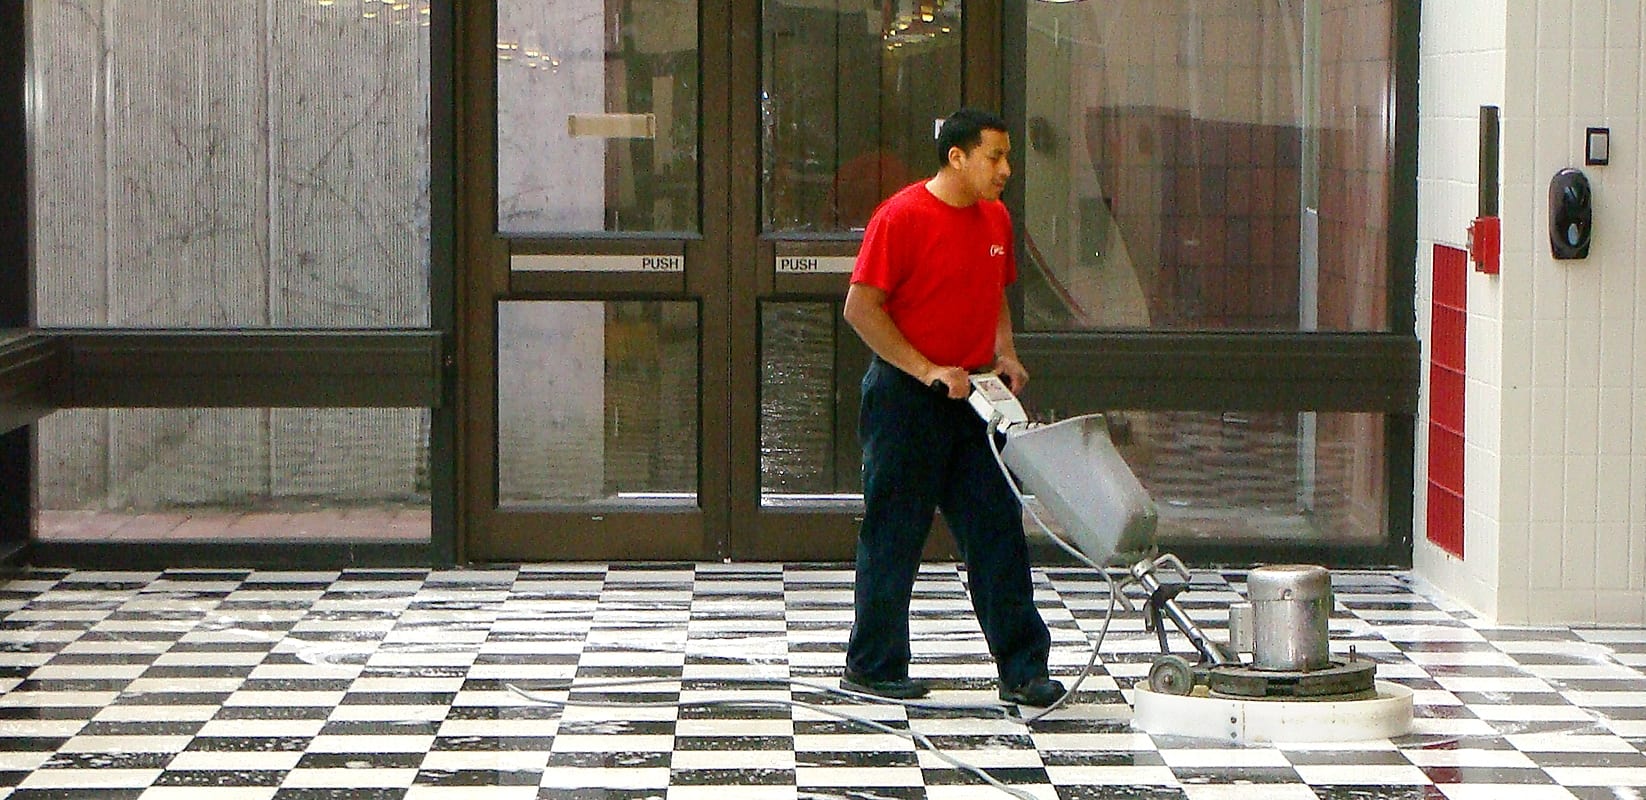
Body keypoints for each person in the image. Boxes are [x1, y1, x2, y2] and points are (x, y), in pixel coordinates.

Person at [839, 108, 1065, 708]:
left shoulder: (996, 219)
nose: (1006, 170)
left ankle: (1023, 668)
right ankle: (874, 665)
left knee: (996, 532)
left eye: (1008, 157)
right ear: (957, 157)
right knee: (895, 533)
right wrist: (925, 369)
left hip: (973, 403)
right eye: (994, 157)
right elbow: (861, 310)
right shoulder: (902, 217)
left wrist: (1006, 353)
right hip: (907, 398)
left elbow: (994, 293)